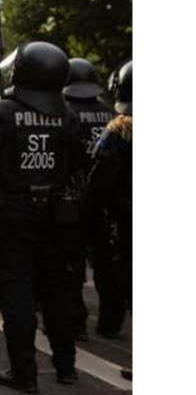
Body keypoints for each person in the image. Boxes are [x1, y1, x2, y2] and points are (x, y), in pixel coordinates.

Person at [0, 42, 87, 392]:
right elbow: (80, 164)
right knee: (57, 293)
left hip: (10, 215)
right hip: (58, 217)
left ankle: (25, 373)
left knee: (17, 293)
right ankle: (66, 367)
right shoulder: (68, 116)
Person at [63, 57, 116, 340]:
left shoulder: (64, 113)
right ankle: (110, 322)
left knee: (71, 262)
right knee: (107, 262)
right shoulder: (111, 115)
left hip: (74, 196)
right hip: (109, 200)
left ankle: (75, 322)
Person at [85, 61, 132, 340]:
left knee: (121, 276)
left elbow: (102, 178)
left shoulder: (119, 131)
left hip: (124, 218)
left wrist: (88, 209)